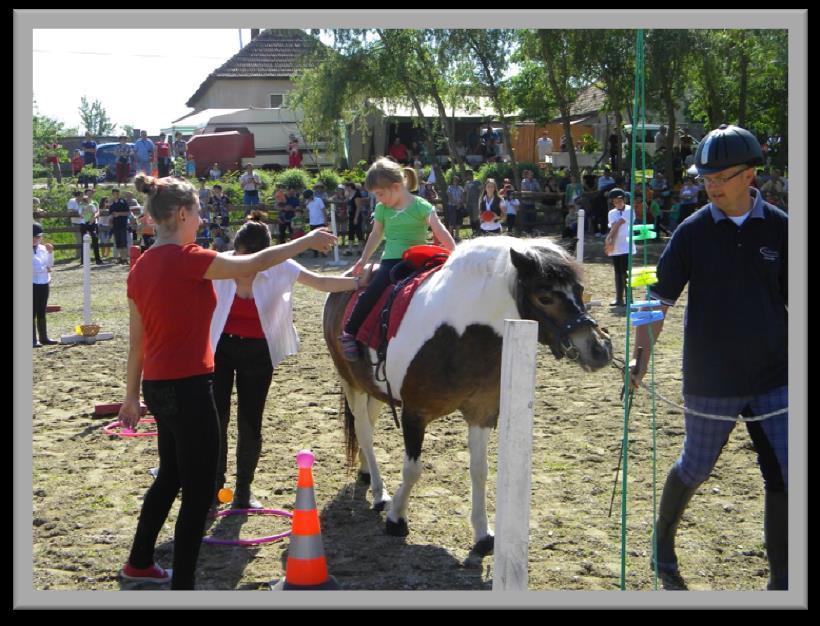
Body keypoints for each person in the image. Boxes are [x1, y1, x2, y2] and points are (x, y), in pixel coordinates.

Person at [117, 174, 336, 590]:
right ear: (181, 214)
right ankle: (182, 586)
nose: (200, 220)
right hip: (189, 388)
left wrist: (131, 397)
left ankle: (140, 561)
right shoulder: (192, 258)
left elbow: (136, 344)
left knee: (169, 475)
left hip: (158, 388)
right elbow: (253, 264)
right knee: (198, 494)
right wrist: (304, 241)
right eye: (197, 212)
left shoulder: (140, 267)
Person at [631, 124, 787, 591]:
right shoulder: (692, 231)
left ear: (750, 174)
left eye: (722, 176)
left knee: (786, 472)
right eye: (706, 178)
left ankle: (782, 579)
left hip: (776, 375)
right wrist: (641, 358)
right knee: (695, 467)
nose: (712, 186)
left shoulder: (782, 228)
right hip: (709, 376)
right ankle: (662, 546)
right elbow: (656, 298)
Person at [209, 213, 359, 510]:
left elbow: (321, 282)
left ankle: (243, 490)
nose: (245, 267)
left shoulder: (281, 266)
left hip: (258, 352)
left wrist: (359, 281)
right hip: (220, 350)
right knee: (217, 419)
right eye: (241, 259)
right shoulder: (221, 263)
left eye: (253, 261)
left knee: (251, 421)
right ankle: (214, 487)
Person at [338, 158, 455, 361]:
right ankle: (349, 331)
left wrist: (456, 253)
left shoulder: (421, 206)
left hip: (421, 259)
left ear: (396, 187)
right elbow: (376, 235)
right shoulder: (383, 210)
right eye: (376, 195)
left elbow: (439, 229)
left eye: (380, 194)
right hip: (392, 260)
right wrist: (363, 260)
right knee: (373, 290)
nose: (379, 199)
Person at [604, 187, 636, 307]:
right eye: (614, 201)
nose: (617, 203)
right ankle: (619, 298)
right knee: (618, 271)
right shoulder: (611, 213)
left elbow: (619, 224)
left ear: (624, 199)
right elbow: (613, 226)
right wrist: (611, 242)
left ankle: (629, 297)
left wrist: (609, 238)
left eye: (619, 200)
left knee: (626, 271)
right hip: (616, 245)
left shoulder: (629, 210)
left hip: (626, 244)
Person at [32, 222, 58, 347]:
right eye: (35, 237)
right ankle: (31, 339)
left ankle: (44, 337)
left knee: (41, 310)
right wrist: (44, 268)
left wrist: (51, 252)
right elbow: (34, 268)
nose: (37, 239)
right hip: (31, 282)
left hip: (43, 282)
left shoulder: (43, 248)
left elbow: (50, 265)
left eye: (39, 237)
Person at [79, 192, 103, 265]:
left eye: (91, 193)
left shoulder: (94, 203)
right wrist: (84, 211)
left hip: (93, 223)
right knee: (84, 241)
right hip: (84, 223)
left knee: (95, 240)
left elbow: (96, 212)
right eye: (88, 193)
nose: (89, 195)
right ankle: (83, 260)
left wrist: (93, 218)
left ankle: (97, 259)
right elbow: (80, 214)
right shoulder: (81, 205)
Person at [109, 188, 131, 264]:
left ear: (119, 194)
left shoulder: (123, 202)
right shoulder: (111, 204)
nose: (116, 195)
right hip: (115, 225)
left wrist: (119, 214)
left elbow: (128, 213)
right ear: (112, 194)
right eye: (114, 194)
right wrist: (110, 220)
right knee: (118, 243)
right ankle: (121, 258)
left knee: (123, 242)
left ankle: (125, 258)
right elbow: (111, 214)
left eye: (117, 193)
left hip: (123, 224)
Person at [520, 169, 541, 234]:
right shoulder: (524, 181)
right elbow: (524, 191)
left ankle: (532, 230)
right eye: (530, 174)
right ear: (527, 174)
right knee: (525, 216)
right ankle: (525, 231)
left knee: (532, 216)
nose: (531, 175)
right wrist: (532, 193)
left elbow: (538, 189)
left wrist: (532, 193)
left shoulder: (535, 181)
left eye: (532, 174)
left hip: (532, 202)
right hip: (525, 202)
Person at [463, 170, 483, 237]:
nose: (466, 176)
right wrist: (465, 202)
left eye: (467, 175)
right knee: (471, 218)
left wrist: (479, 199)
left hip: (476, 203)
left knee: (476, 217)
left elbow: (482, 190)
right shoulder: (467, 183)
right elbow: (465, 192)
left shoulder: (477, 182)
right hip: (469, 203)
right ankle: (474, 232)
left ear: (470, 175)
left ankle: (478, 231)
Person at [445, 175, 464, 241]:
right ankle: (450, 237)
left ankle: (457, 236)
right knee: (451, 221)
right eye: (454, 180)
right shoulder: (449, 187)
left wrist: (460, 204)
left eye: (457, 180)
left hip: (459, 206)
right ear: (452, 181)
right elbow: (449, 197)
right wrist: (456, 204)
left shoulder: (460, 188)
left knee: (458, 221)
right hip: (452, 206)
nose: (455, 181)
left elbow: (462, 197)